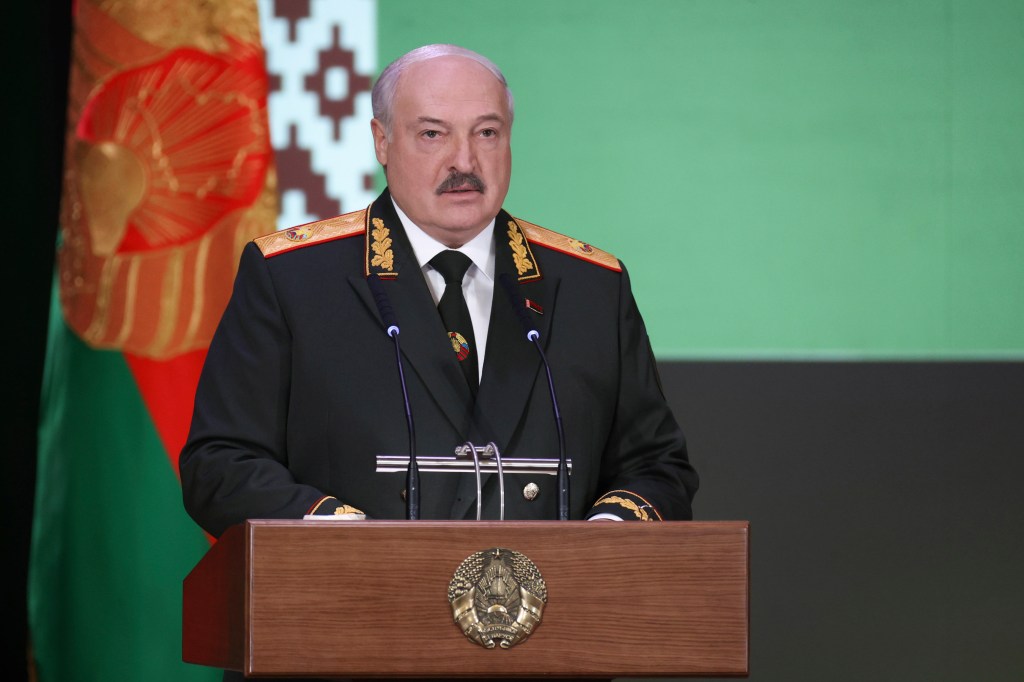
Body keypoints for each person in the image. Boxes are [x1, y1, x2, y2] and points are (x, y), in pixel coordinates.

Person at [180, 43, 698, 537]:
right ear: (382, 141)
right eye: (433, 134)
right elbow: (221, 464)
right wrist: (343, 539)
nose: (464, 162)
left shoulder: (591, 287)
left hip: (549, 593)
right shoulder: (293, 277)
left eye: (487, 133)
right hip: (361, 592)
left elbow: (657, 466)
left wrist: (605, 540)